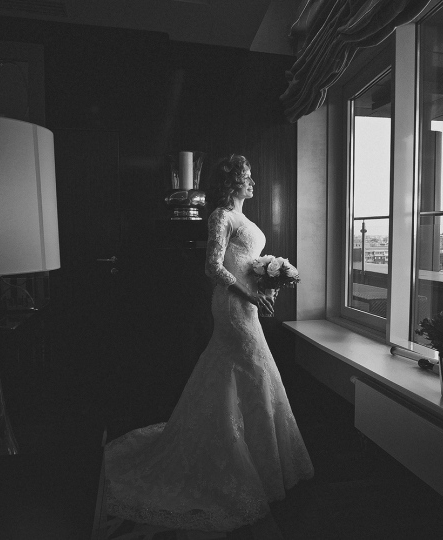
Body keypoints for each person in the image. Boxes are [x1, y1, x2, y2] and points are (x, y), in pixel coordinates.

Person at [103, 154, 314, 538]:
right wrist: (249, 294)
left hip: (247, 303)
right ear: (232, 182)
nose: (253, 182)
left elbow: (246, 263)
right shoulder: (221, 216)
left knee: (247, 370)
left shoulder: (245, 220)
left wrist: (267, 283)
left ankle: (260, 458)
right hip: (232, 306)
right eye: (247, 176)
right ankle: (232, 461)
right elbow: (213, 267)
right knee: (249, 366)